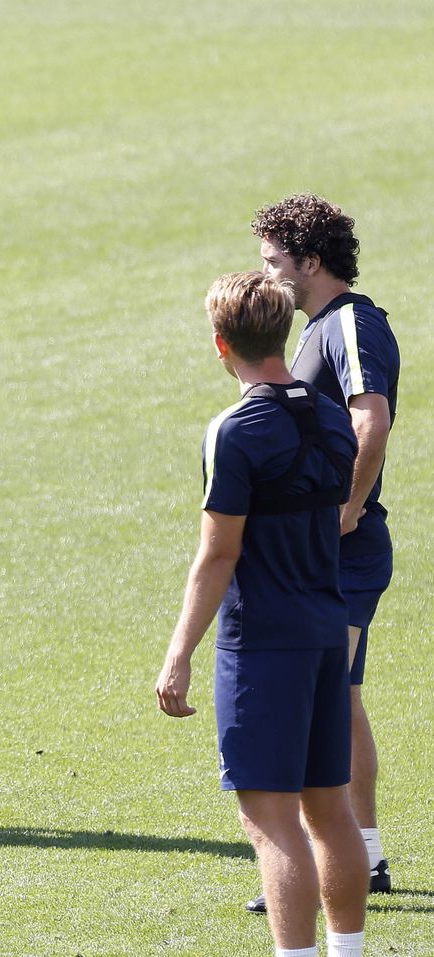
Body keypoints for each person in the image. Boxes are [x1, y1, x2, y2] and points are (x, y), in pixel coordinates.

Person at [155, 272, 366, 957]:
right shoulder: (333, 416)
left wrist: (179, 652)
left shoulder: (234, 431)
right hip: (326, 634)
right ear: (281, 332)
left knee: (272, 821)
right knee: (331, 810)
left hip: (263, 647)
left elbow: (219, 554)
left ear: (222, 344)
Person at [241, 194, 399, 913]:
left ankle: (316, 864)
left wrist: (348, 507)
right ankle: (360, 855)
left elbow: (372, 420)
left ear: (310, 261)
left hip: (347, 550)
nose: (265, 275)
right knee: (341, 695)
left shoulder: (352, 325)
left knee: (317, 701)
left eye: (274, 262)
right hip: (325, 552)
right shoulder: (318, 329)